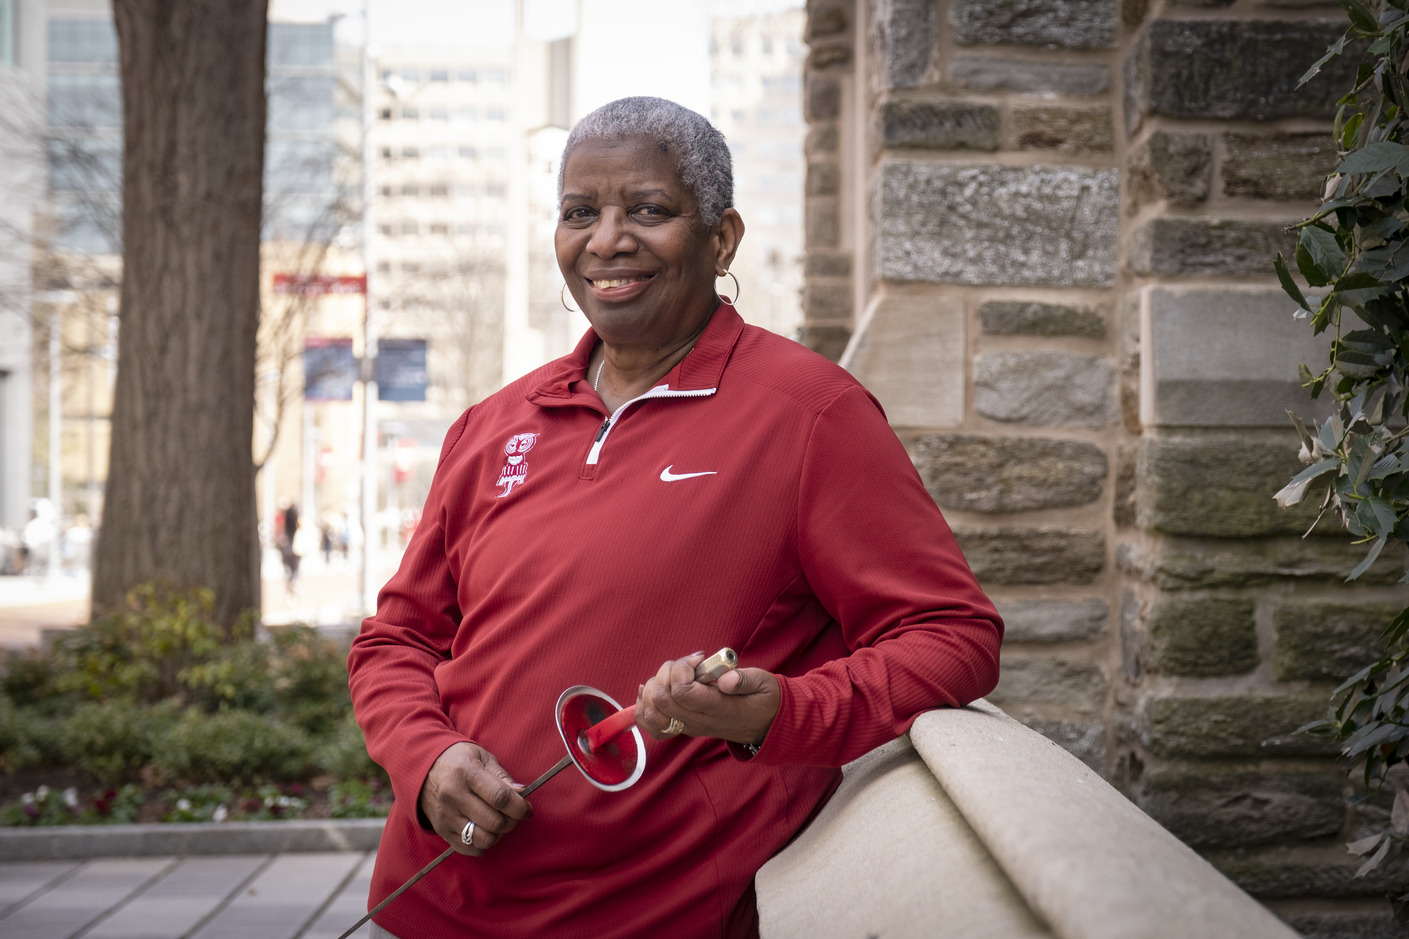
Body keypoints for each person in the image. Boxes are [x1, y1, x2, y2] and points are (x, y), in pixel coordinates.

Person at [347, 96, 1003, 939]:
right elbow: (395, 641)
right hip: (432, 904)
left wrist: (781, 710)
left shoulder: (811, 415)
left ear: (720, 238)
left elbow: (953, 636)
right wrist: (424, 757)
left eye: (649, 211)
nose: (607, 240)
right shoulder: (493, 423)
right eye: (579, 213)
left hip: (649, 916)